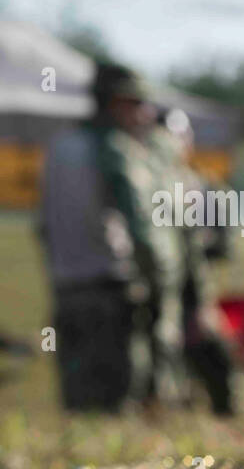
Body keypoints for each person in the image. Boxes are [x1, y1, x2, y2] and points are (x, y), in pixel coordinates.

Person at [38, 63, 182, 411]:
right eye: (138, 104)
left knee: (77, 400)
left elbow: (43, 226)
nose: (145, 115)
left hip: (66, 288)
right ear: (117, 102)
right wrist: (161, 281)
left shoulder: (59, 146)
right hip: (111, 289)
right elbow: (140, 225)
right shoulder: (115, 149)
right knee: (118, 398)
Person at [153, 108, 241, 415]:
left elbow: (224, 245)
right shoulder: (146, 183)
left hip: (194, 296)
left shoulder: (206, 189)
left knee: (218, 365)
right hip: (152, 297)